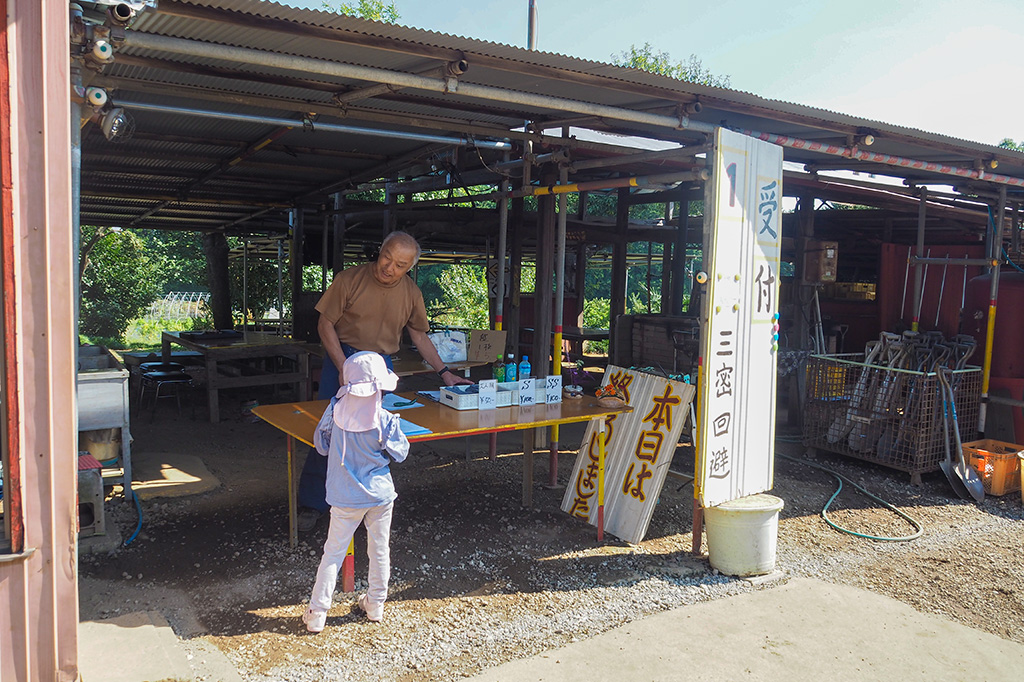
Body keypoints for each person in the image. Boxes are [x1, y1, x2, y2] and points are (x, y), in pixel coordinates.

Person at [298, 230, 471, 531]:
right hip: (344, 356)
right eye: (387, 258)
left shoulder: (411, 293)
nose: (389, 268)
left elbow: (418, 334)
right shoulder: (348, 279)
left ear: (409, 267)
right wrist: (342, 366)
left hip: (381, 365)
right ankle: (313, 503)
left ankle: (365, 505)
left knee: (374, 435)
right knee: (330, 430)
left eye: (400, 265)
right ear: (380, 252)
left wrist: (444, 372)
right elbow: (325, 324)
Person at [302, 351, 407, 633]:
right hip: (381, 495)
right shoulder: (384, 417)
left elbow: (321, 446)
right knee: (379, 549)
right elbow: (401, 452)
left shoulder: (334, 412)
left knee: (332, 553)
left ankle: (317, 613)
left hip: (344, 496)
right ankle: (375, 604)